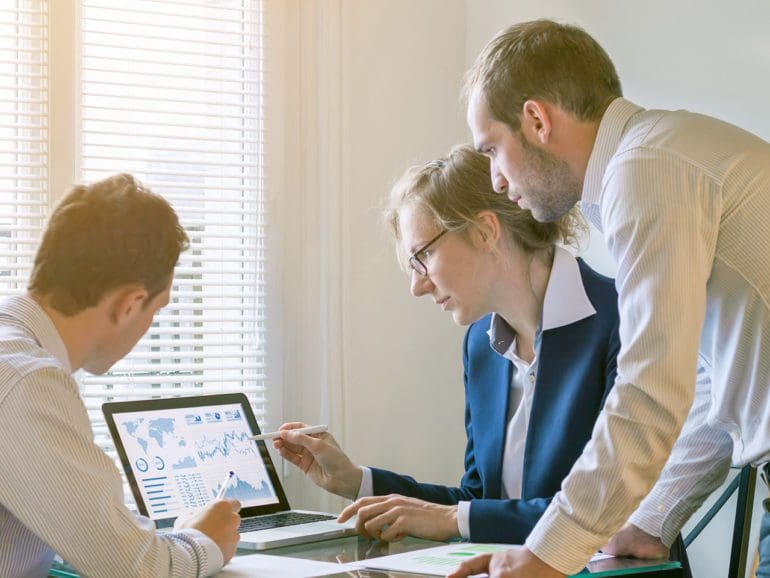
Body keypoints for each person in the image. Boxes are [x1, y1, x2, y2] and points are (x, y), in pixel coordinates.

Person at [451, 18, 770, 578]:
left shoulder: (646, 170)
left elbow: (650, 387)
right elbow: (710, 383)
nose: (496, 181)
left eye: (493, 150)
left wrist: (551, 549)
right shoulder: (659, 156)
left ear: (536, 119)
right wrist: (651, 520)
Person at [274, 145, 625, 546]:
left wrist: (454, 518)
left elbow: (606, 510)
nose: (417, 285)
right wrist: (356, 480)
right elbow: (478, 503)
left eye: (422, 256)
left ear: (485, 231)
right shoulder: (481, 344)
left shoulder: (622, 320)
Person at [0, 174, 241, 577]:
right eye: (156, 309)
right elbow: (135, 570)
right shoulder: (27, 383)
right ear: (130, 304)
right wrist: (203, 540)